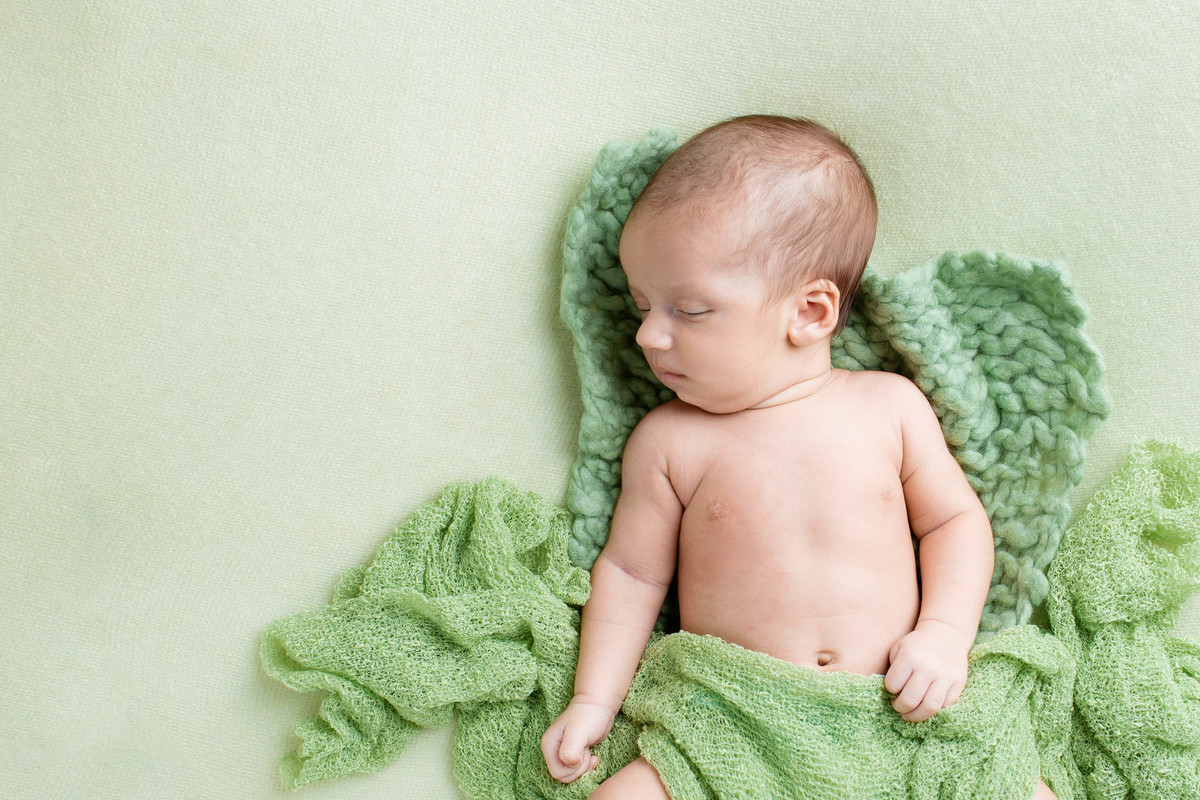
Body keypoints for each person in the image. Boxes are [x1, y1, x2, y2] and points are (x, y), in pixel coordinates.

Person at [542, 115, 1055, 800]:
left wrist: (943, 634)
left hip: (901, 711)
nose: (649, 335)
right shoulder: (670, 442)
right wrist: (593, 702)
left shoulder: (890, 407)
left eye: (688, 310)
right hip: (738, 721)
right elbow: (632, 573)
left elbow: (955, 524)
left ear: (811, 313)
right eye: (641, 305)